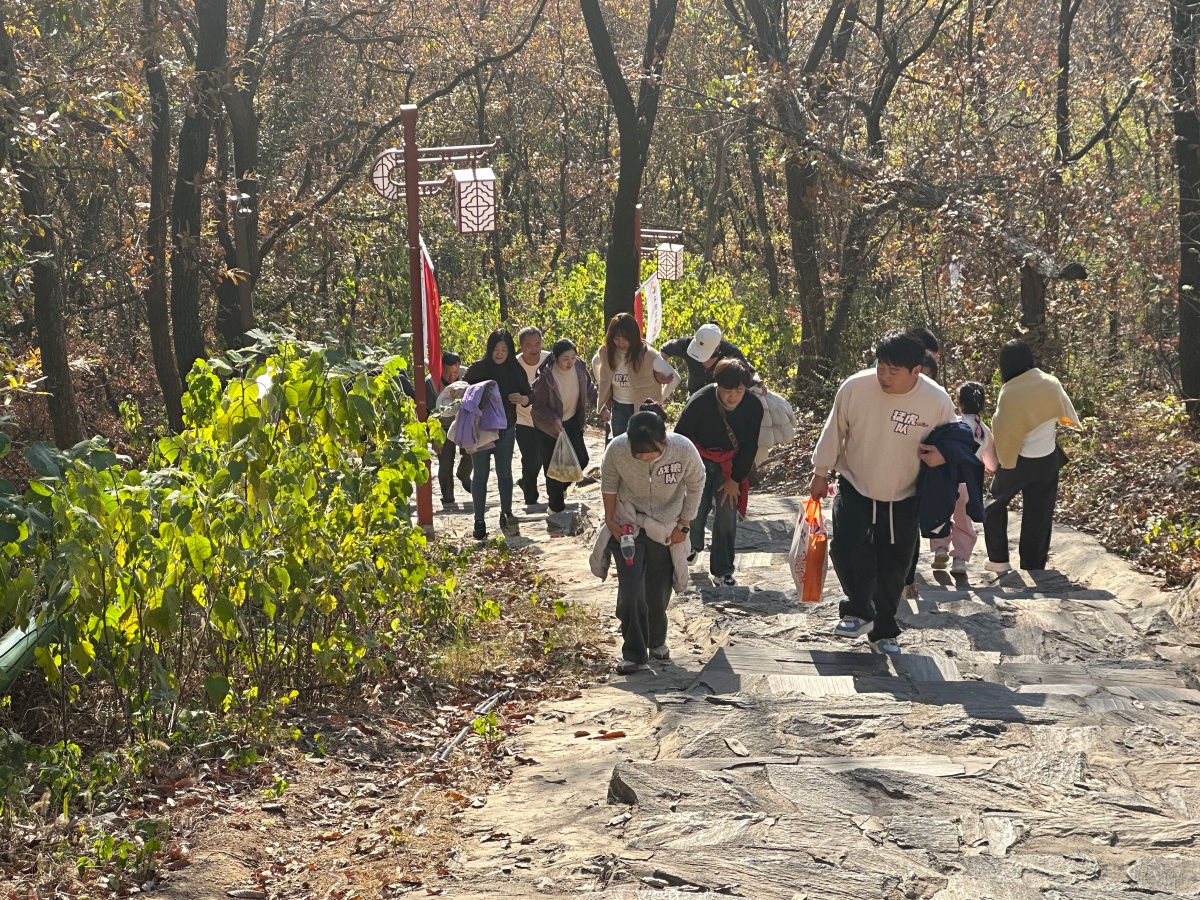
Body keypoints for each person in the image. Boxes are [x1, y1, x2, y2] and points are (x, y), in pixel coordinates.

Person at [810, 330, 956, 655]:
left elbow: (958, 439)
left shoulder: (936, 400)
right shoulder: (855, 387)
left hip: (904, 494)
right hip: (856, 483)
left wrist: (943, 455)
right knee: (846, 547)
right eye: (881, 367)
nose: (884, 377)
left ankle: (884, 631)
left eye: (894, 371)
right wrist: (821, 471)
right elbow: (834, 430)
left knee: (894, 566)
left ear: (916, 371)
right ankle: (859, 610)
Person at [601, 408, 705, 673]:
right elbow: (609, 484)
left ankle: (656, 640)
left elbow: (696, 484)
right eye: (640, 453)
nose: (646, 458)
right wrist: (611, 519)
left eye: (652, 452)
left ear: (664, 440)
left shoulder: (683, 449)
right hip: (628, 521)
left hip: (667, 525)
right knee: (631, 590)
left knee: (658, 591)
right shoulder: (617, 450)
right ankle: (634, 653)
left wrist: (684, 524)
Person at [983, 340, 1080, 572]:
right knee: (1039, 515)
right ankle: (1033, 566)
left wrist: (998, 461)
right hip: (1047, 460)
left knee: (993, 505)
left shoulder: (1010, 391)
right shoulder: (1051, 383)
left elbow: (1003, 430)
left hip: (1018, 460)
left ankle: (999, 560)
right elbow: (1063, 413)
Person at [673, 359, 762, 587]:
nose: (733, 396)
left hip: (729, 466)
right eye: (728, 390)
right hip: (698, 462)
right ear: (718, 385)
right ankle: (692, 546)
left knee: (726, 516)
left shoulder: (753, 406)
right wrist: (684, 473)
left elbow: (750, 446)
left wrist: (735, 479)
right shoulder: (700, 401)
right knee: (695, 511)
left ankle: (723, 570)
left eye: (739, 390)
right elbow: (680, 438)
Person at [464, 329, 533, 540]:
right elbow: (463, 391)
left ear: (510, 350)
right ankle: (479, 520)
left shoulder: (515, 369)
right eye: (496, 349)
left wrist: (522, 399)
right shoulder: (478, 368)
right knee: (480, 474)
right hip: (481, 430)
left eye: (504, 349)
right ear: (489, 349)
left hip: (506, 429)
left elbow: (529, 395)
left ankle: (506, 513)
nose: (500, 353)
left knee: (505, 473)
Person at [929, 382, 998, 575]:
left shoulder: (951, 425)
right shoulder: (983, 431)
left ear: (958, 404)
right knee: (964, 522)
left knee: (940, 515)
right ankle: (959, 559)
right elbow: (992, 464)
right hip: (969, 485)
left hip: (945, 481)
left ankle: (940, 549)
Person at [531, 339, 598, 513]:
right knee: (553, 465)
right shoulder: (546, 377)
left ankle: (559, 489)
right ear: (555, 358)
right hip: (548, 426)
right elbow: (537, 404)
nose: (570, 362)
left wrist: (602, 406)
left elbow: (589, 388)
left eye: (573, 357)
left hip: (572, 419)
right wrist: (553, 419)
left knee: (582, 459)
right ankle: (555, 507)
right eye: (565, 359)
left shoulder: (579, 367)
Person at [592, 313, 679, 438]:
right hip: (618, 408)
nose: (621, 343)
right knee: (620, 445)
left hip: (642, 411)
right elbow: (595, 364)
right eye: (617, 339)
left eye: (625, 339)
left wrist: (659, 400)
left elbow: (675, 378)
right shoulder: (606, 352)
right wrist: (605, 391)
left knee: (642, 444)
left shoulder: (647, 354)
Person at [902, 351, 942, 599]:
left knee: (911, 529)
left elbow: (954, 433)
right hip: (893, 476)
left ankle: (908, 581)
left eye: (928, 376)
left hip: (922, 477)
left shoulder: (938, 400)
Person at [426, 351, 472, 506]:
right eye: (447, 373)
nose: (452, 377)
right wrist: (434, 437)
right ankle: (448, 497)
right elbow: (429, 413)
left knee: (470, 453)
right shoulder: (430, 382)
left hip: (463, 423)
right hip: (442, 426)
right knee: (445, 463)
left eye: (455, 372)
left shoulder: (467, 375)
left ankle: (464, 475)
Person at [514, 326, 552, 506]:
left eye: (537, 343)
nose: (534, 348)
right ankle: (530, 496)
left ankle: (549, 492)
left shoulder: (549, 360)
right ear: (521, 346)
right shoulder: (514, 365)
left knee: (546, 457)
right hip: (523, 418)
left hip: (546, 418)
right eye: (529, 345)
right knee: (531, 459)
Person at [660, 323, 748, 396]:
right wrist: (660, 372)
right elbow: (665, 350)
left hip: (720, 401)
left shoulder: (731, 353)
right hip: (693, 397)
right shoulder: (686, 344)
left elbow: (748, 375)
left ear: (717, 347)